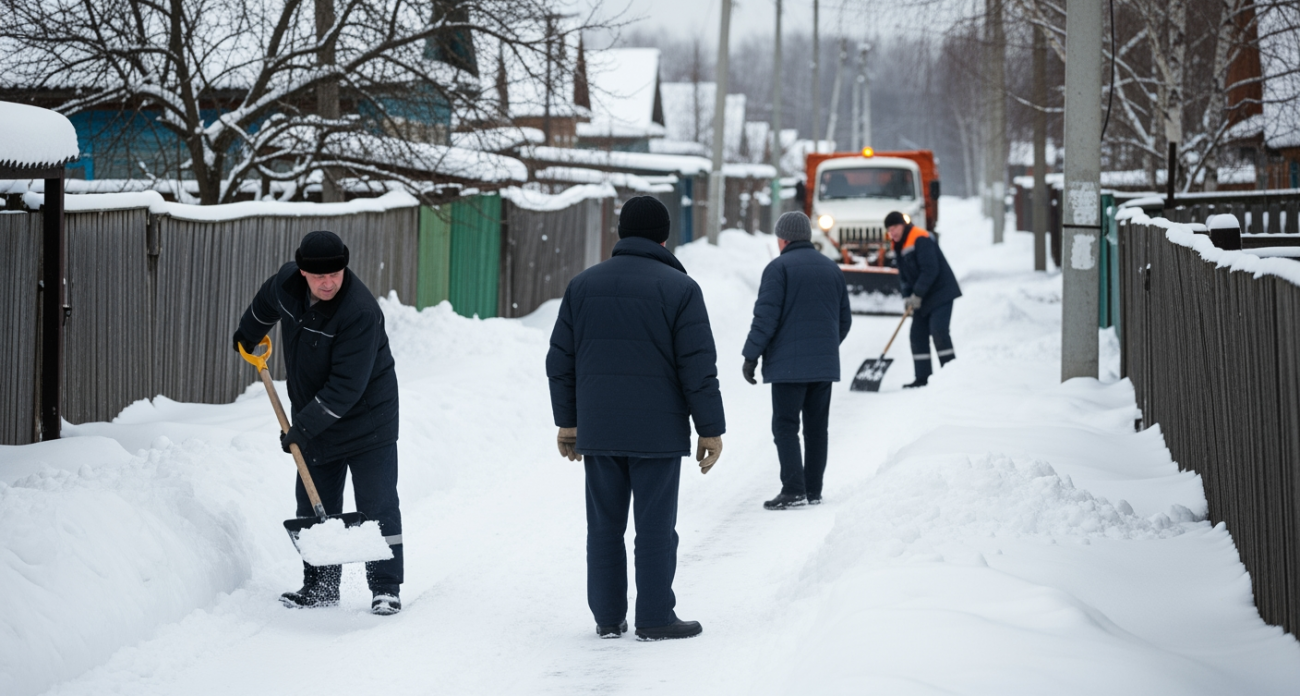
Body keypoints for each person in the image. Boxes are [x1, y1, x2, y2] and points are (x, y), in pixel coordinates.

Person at [546, 195, 725, 641]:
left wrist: (567, 422)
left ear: (621, 232)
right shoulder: (681, 289)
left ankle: (608, 618)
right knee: (655, 529)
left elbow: (560, 361)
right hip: (658, 432)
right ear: (665, 236)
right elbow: (697, 366)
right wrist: (710, 428)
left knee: (604, 526)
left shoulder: (582, 286)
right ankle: (654, 617)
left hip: (599, 429)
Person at [232, 230, 404, 616]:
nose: (329, 283)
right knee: (314, 505)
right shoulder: (287, 285)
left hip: (368, 421)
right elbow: (265, 303)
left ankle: (386, 588)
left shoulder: (359, 311)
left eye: (337, 274)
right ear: (303, 272)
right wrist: (249, 332)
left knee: (377, 505)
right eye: (319, 276)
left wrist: (302, 429)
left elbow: (346, 388)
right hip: (316, 415)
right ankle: (321, 587)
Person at [741, 211, 852, 510]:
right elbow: (844, 320)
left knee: (786, 426)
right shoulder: (832, 269)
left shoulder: (778, 269)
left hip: (788, 368)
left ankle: (793, 489)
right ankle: (813, 490)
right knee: (817, 428)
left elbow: (765, 318)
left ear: (783, 238)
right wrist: (824, 348)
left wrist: (751, 355)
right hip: (823, 367)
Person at [885, 210, 962, 388]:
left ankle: (951, 375)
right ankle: (923, 378)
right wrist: (907, 297)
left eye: (895, 227)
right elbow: (903, 276)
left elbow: (931, 269)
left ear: (903, 225)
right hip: (922, 297)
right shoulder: (897, 245)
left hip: (940, 293)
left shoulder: (920, 238)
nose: (893, 232)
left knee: (939, 332)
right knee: (917, 335)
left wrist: (917, 294)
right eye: (890, 230)